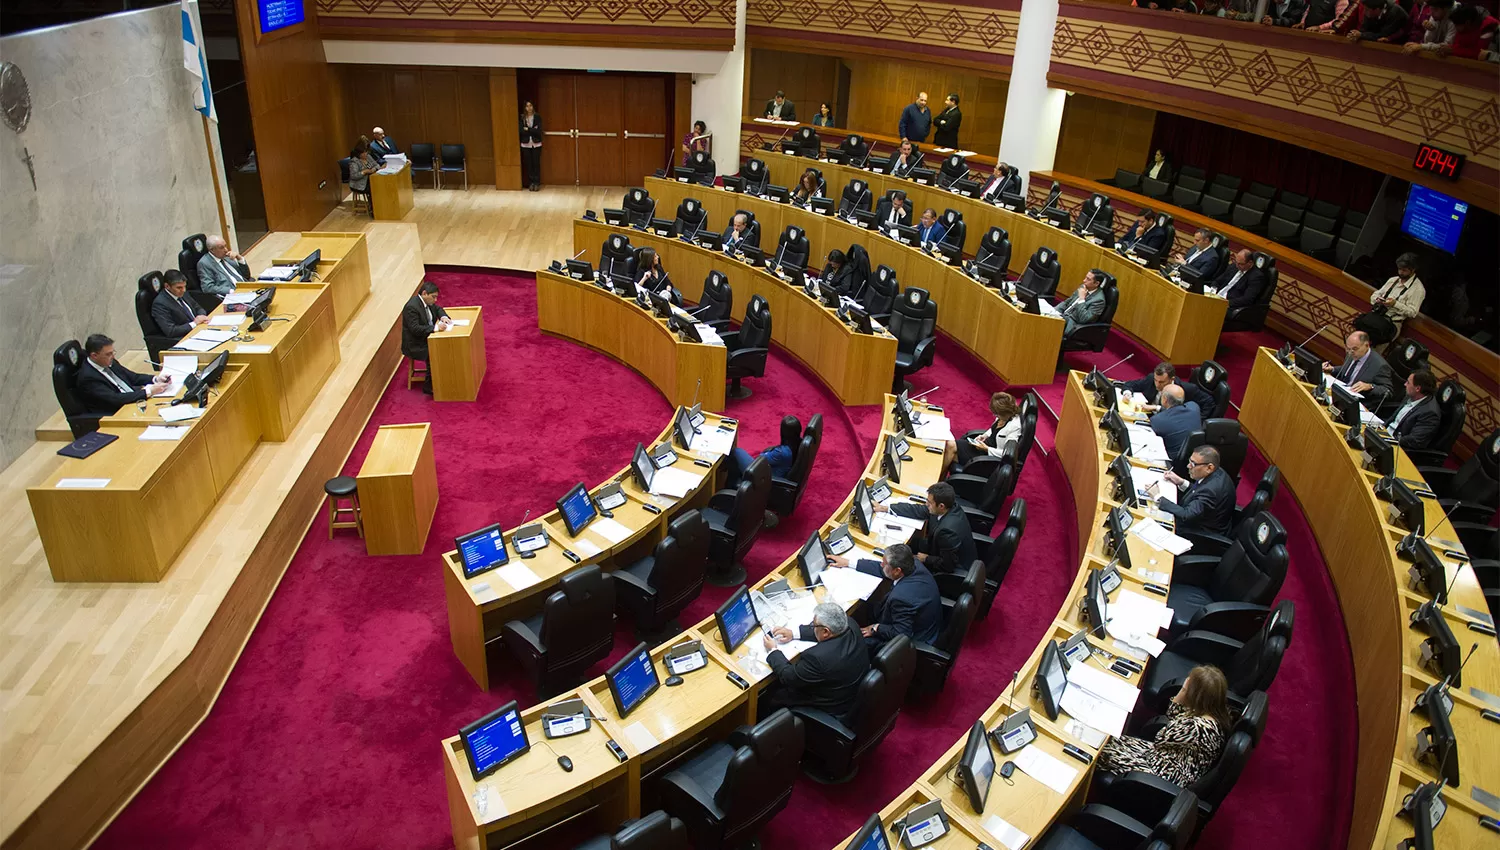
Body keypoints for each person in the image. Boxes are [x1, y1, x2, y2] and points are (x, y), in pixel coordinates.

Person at [1099, 665, 1230, 787]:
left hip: (1165, 772)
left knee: (1102, 751)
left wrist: (1182, 694)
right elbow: (1173, 716)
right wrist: (1185, 693)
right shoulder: (1214, 716)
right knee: (1111, 739)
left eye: (1186, 688)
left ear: (1194, 696)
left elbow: (1160, 738)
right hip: (1163, 757)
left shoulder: (1196, 727)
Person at [824, 543, 942, 654]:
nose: (881, 564)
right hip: (919, 620)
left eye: (884, 563)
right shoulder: (913, 564)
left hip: (915, 639)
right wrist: (848, 563)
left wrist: (876, 628)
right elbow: (883, 570)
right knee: (869, 605)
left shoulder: (902, 598)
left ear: (897, 571)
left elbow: (901, 633)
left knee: (854, 644)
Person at [761, 602, 871, 717]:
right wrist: (793, 633)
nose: (812, 627)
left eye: (814, 625)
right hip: (848, 691)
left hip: (830, 706)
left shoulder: (818, 658)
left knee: (770, 697)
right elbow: (826, 632)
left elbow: (788, 677)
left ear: (825, 631)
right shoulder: (850, 625)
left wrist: (773, 651)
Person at [876, 481, 977, 575]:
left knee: (898, 561)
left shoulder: (947, 532)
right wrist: (887, 508)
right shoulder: (949, 506)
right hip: (935, 547)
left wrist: (926, 559)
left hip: (952, 569)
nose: (926, 504)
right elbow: (919, 510)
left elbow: (948, 565)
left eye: (929, 502)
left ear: (941, 506)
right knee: (904, 544)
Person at [75, 333, 170, 414]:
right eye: (108, 354)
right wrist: (149, 391)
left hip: (132, 399)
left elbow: (132, 377)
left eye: (113, 352)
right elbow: (115, 399)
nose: (112, 356)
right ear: (94, 356)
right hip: (118, 411)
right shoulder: (88, 378)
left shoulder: (108, 361)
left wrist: (156, 379)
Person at [1155, 446, 1236, 536]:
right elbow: (1199, 492)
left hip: (1200, 534)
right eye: (1190, 461)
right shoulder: (1216, 472)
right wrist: (1181, 482)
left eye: (1193, 464)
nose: (1188, 466)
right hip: (1205, 519)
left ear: (1209, 467)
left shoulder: (1211, 491)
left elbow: (1186, 515)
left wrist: (1157, 497)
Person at [1322, 330, 1397, 409]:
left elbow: (1388, 391)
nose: (1350, 352)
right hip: (1339, 394)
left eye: (1354, 349)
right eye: (1347, 348)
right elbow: (1349, 370)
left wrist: (1370, 386)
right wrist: (1332, 369)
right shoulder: (1352, 352)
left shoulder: (1380, 365)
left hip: (1356, 404)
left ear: (1367, 345)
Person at [402, 281, 452, 395]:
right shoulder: (412, 307)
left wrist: (443, 316)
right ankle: (429, 386)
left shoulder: (426, 302)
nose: (435, 300)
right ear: (424, 293)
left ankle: (443, 376)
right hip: (416, 344)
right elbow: (415, 329)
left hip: (425, 337)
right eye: (433, 297)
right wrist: (434, 328)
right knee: (435, 352)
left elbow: (438, 309)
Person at [1367, 253, 1426, 342]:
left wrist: (1395, 304)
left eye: (1404, 270)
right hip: (1376, 316)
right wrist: (1378, 300)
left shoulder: (1418, 289)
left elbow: (1413, 312)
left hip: (1391, 324)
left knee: (1374, 351)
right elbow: (1375, 295)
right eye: (1399, 269)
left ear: (1413, 270)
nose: (1400, 272)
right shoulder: (1393, 280)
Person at [728, 415, 801, 486]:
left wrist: (767, 452)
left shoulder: (780, 452)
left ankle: (729, 485)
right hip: (776, 473)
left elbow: (760, 459)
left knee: (736, 452)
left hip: (762, 478)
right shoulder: (800, 444)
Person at [956, 391, 1022, 468]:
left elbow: (1008, 454)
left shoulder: (1014, 427)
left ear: (1005, 413)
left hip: (988, 457)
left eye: (997, 414)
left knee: (952, 451)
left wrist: (987, 449)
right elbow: (994, 430)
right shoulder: (1003, 417)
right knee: (951, 445)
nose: (995, 416)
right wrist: (984, 435)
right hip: (983, 446)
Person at [1119, 363, 1215, 414]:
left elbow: (1209, 402)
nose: (1157, 384)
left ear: (1171, 379)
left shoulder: (1185, 389)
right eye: (1156, 380)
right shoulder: (1151, 379)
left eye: (1161, 382)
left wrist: (1199, 420)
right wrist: (1127, 393)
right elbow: (1130, 384)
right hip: (1146, 417)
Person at [1388, 369, 1442, 451]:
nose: (1405, 384)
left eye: (1408, 382)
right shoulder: (1412, 395)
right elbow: (1394, 418)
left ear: (1417, 388)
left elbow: (1414, 440)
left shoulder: (1430, 413)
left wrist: (1388, 439)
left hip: (1397, 446)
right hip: (1386, 433)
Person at [152, 270, 209, 342]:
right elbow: (170, 331)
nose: (184, 290)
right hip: (186, 337)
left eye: (184, 286)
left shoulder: (182, 292)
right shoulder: (160, 304)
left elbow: (197, 307)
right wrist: (194, 323)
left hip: (200, 329)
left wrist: (201, 317)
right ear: (167, 286)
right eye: (179, 288)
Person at [1149, 385, 1203, 461]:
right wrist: (1157, 408)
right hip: (1194, 458)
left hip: (1170, 461)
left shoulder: (1157, 420)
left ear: (1164, 399)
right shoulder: (1194, 407)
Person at [1058, 269, 1107, 337]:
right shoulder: (1084, 286)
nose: (1084, 280)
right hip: (1062, 316)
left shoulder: (1099, 300)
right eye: (1085, 277)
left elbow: (1084, 319)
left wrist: (1081, 299)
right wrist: (1054, 311)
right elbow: (1067, 302)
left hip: (1073, 325)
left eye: (1088, 279)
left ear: (1096, 283)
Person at [1338, 0, 1410, 42]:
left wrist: (1362, 35)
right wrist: (1356, 34)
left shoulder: (1395, 12)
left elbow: (1383, 35)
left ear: (1377, 10)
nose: (1364, 12)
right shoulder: (1369, 12)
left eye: (1366, 10)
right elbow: (1363, 29)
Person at [520, 102, 543, 192]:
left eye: (530, 106)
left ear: (533, 107)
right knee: (529, 164)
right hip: (525, 144)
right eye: (527, 106)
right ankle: (531, 183)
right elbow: (521, 130)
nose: (529, 108)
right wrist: (533, 130)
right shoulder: (522, 118)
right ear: (525, 108)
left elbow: (538, 131)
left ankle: (537, 183)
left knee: (536, 164)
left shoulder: (537, 117)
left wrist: (528, 129)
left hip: (536, 143)